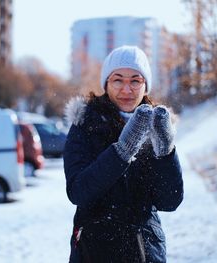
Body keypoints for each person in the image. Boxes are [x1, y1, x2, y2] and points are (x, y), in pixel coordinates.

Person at [63, 45, 183, 263]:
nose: (127, 89)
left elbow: (170, 200)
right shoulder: (84, 124)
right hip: (94, 250)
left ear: (145, 86)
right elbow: (78, 191)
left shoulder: (158, 124)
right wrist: (122, 151)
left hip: (145, 251)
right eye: (118, 80)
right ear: (106, 83)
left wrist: (165, 151)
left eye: (135, 80)